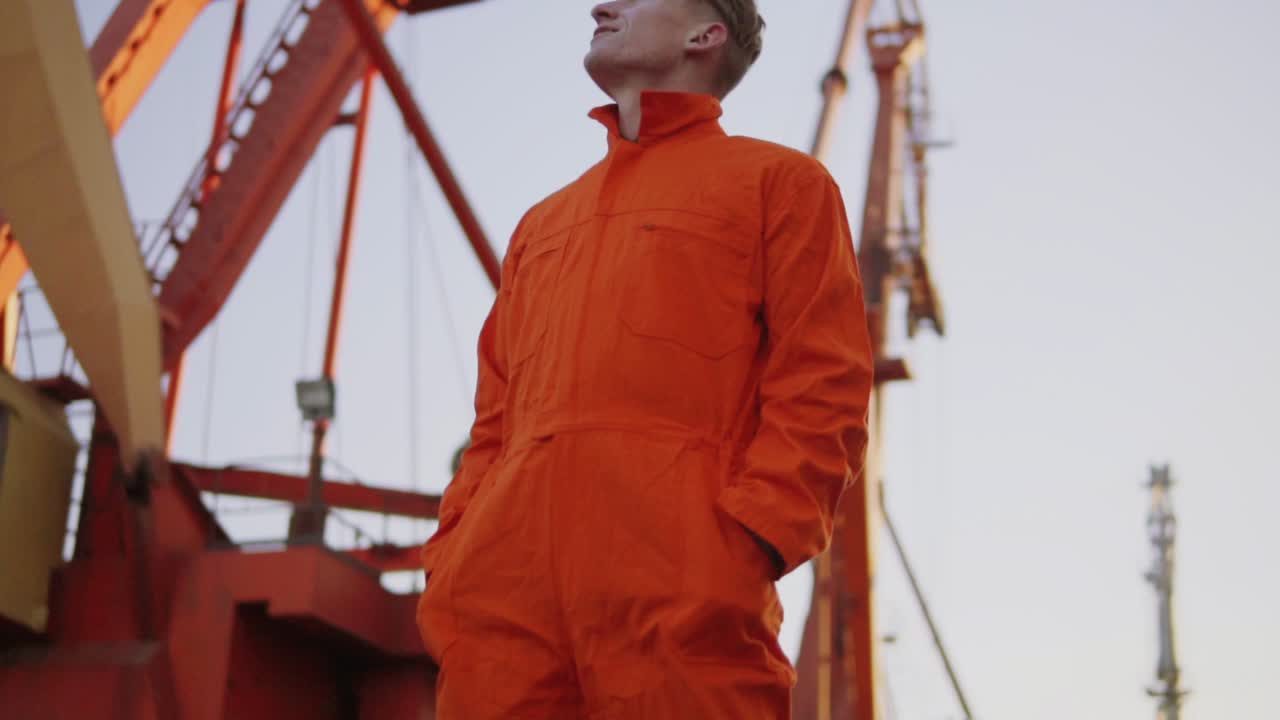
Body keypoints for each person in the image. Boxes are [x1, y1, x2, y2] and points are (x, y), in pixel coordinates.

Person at [417, 1, 873, 717]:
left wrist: (743, 546)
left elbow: (826, 386)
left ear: (706, 33)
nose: (600, 5)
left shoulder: (781, 184)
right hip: (501, 608)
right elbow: (494, 423)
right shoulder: (541, 225)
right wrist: (455, 551)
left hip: (683, 593)